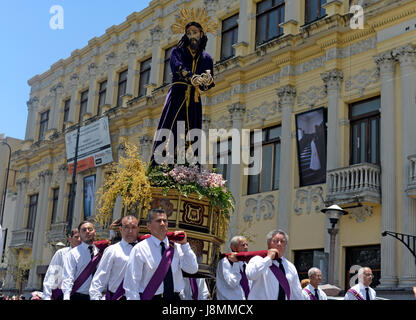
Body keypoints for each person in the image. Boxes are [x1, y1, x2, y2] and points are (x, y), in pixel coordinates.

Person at [151, 8, 216, 165]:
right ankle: (164, 161)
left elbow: (209, 82)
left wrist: (206, 81)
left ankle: (189, 165)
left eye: (195, 33)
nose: (192, 36)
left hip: (194, 99)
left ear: (201, 34)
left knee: (192, 130)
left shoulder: (206, 58)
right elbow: (177, 66)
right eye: (189, 33)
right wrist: (191, 76)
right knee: (171, 125)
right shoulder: (177, 51)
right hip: (178, 94)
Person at [123, 208, 198, 300]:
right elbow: (131, 284)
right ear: (149, 226)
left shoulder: (176, 247)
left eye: (165, 221)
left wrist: (185, 245)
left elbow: (192, 269)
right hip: (151, 297)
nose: (162, 224)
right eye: (158, 221)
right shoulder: (140, 249)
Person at [89, 215, 139, 300]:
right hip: (116, 296)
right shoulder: (112, 250)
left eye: (133, 227)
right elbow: (100, 278)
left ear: (138, 229)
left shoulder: (145, 250)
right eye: (126, 227)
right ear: (120, 229)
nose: (130, 231)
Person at [246, 229, 303, 300]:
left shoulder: (290, 266)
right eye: (275, 241)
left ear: (285, 245)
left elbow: (297, 292)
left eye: (282, 241)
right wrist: (268, 258)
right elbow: (251, 275)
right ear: (268, 243)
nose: (279, 244)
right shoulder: (258, 259)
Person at [62, 221, 102, 300]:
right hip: (78, 296)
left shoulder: (101, 252)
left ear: (95, 232)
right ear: (79, 234)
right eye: (84, 230)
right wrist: (66, 296)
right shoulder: (73, 253)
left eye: (90, 229)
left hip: (98, 296)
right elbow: (68, 277)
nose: (87, 232)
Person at [42, 228, 81, 300]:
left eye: (81, 237)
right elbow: (51, 277)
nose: (79, 240)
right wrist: (47, 297)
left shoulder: (87, 255)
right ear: (70, 238)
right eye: (76, 237)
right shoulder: (61, 253)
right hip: (61, 295)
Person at [216, 235, 251, 300]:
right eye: (243, 245)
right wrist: (235, 263)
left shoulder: (245, 264)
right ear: (233, 247)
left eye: (247, 245)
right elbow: (232, 282)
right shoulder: (225, 262)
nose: (246, 247)